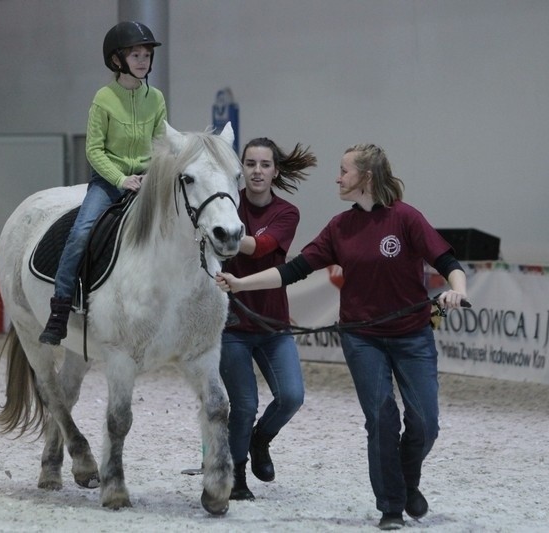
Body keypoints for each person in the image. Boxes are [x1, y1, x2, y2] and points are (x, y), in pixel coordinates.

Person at [215, 143, 468, 530]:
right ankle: (391, 507)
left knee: (425, 422)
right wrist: (240, 283)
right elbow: (293, 270)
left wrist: (457, 290)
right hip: (361, 338)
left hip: (412, 336)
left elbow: (449, 263)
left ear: (365, 177)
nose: (337, 177)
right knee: (381, 418)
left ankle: (406, 480)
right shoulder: (339, 227)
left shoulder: (406, 219)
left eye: (344, 171)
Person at [39, 21, 167, 345]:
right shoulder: (104, 98)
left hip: (148, 180)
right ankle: (61, 308)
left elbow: (161, 144)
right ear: (117, 61)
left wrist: (150, 175)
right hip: (110, 181)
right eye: (135, 54)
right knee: (81, 232)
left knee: (189, 220)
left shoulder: (157, 99)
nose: (143, 60)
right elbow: (93, 150)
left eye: (146, 55)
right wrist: (122, 179)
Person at [220, 138, 317, 501]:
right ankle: (236, 472)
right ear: (241, 169)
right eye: (250, 164)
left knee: (291, 396)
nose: (257, 171)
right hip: (231, 325)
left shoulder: (286, 212)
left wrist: (224, 232)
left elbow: (262, 247)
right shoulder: (225, 204)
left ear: (276, 170)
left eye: (264, 164)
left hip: (274, 324)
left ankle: (261, 440)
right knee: (243, 404)